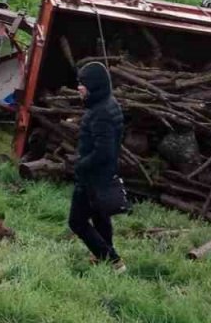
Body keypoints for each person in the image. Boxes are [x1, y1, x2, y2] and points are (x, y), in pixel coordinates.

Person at [68, 61, 126, 272]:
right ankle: (104, 254)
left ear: (94, 85)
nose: (79, 87)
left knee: (77, 222)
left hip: (92, 177)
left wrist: (81, 165)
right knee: (100, 216)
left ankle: (112, 260)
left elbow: (104, 151)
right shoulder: (108, 104)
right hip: (102, 174)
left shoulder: (101, 113)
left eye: (82, 83)